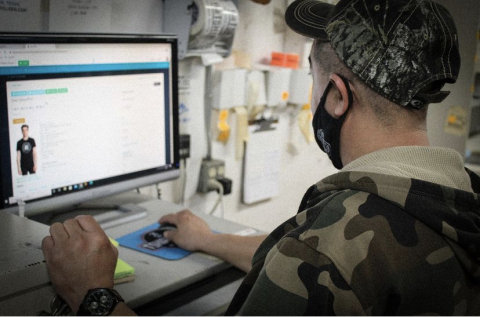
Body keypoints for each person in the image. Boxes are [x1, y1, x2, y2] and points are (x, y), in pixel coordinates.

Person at [42, 0, 480, 315]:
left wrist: (93, 294)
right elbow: (307, 259)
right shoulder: (455, 194)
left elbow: (318, 258)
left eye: (313, 78)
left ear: (337, 98)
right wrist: (210, 239)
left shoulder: (326, 246)